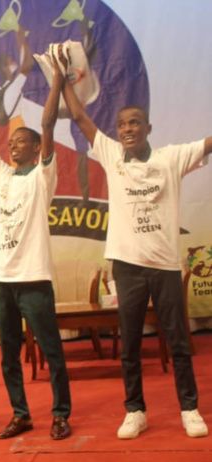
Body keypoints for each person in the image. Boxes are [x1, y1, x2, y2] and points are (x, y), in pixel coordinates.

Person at [57, 48, 212, 439]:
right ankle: (135, 409)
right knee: (128, 342)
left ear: (148, 128)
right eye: (122, 124)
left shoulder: (171, 158)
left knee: (178, 340)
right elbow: (79, 117)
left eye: (135, 123)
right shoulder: (112, 155)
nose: (127, 129)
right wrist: (61, 81)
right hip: (126, 266)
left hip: (163, 265)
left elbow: (209, 143)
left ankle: (189, 408)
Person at [0, 65, 73, 440]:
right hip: (2, 280)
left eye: (21, 142)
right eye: (12, 143)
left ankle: (60, 414)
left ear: (37, 148)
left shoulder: (43, 176)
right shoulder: (4, 176)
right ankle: (20, 413)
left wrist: (56, 82)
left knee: (51, 349)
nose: (13, 146)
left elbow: (48, 124)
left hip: (34, 280)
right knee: (8, 354)